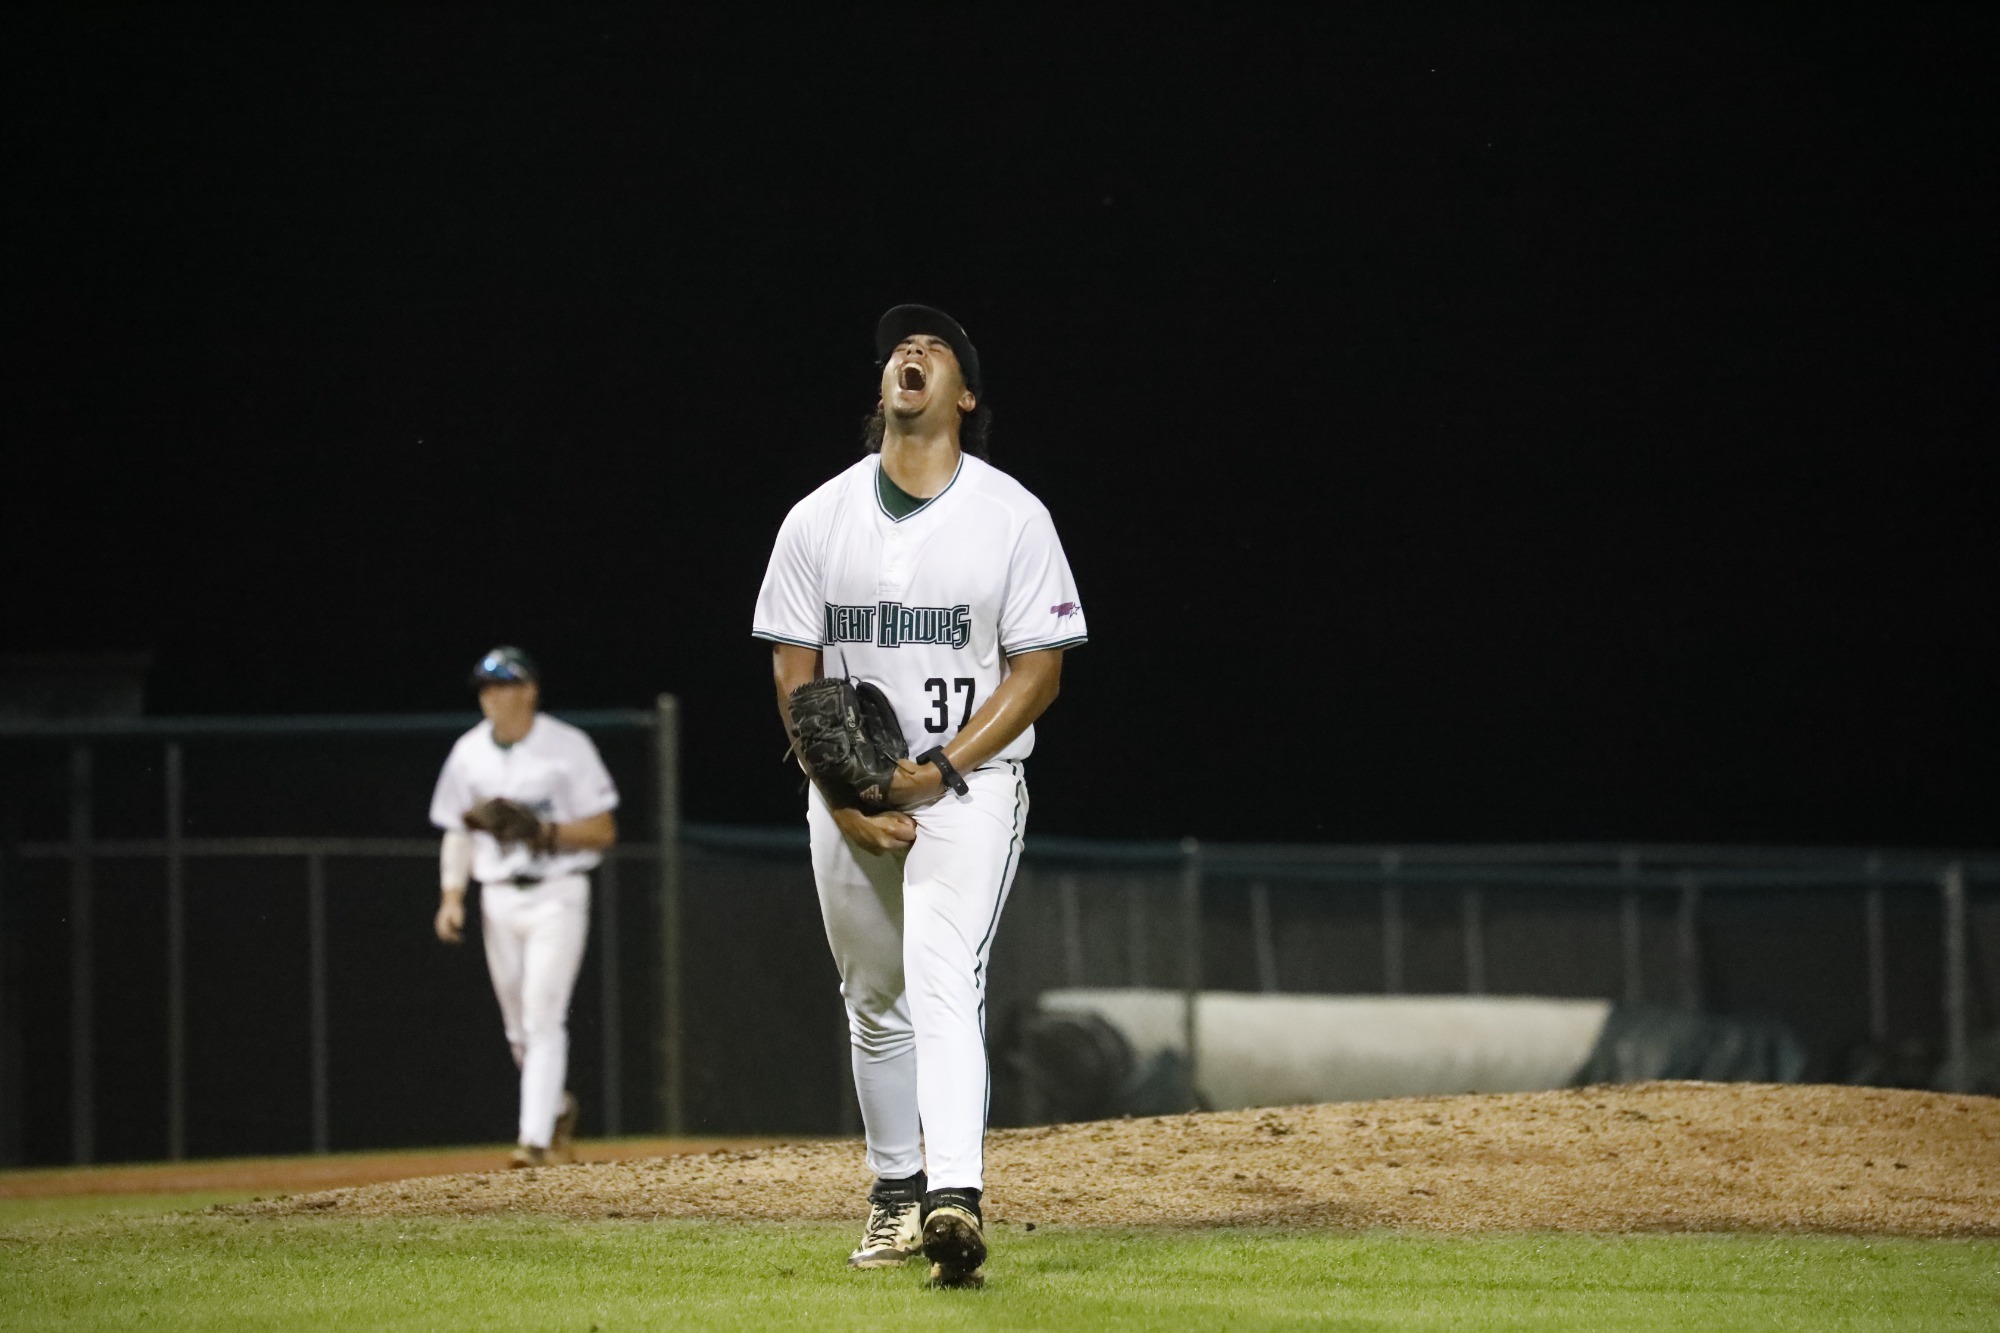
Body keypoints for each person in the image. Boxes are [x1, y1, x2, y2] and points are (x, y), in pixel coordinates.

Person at [752, 305, 1088, 1287]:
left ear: (963, 395)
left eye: (934, 348)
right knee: (873, 1000)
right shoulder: (816, 518)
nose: (911, 352)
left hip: (969, 786)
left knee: (942, 972)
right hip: (849, 794)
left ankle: (954, 1195)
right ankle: (895, 1191)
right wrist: (843, 789)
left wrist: (939, 767)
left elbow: (1038, 671)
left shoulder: (1011, 515)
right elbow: (792, 667)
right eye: (900, 346)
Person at [429, 646, 619, 1167]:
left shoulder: (567, 746)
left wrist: (545, 831)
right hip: (497, 898)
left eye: (504, 684)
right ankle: (555, 1107)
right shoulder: (469, 752)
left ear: (530, 690)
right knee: (517, 1028)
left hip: (558, 892)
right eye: (486, 688)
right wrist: (452, 897)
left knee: (542, 1016)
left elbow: (603, 830)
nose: (492, 696)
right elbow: (455, 830)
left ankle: (532, 1141)